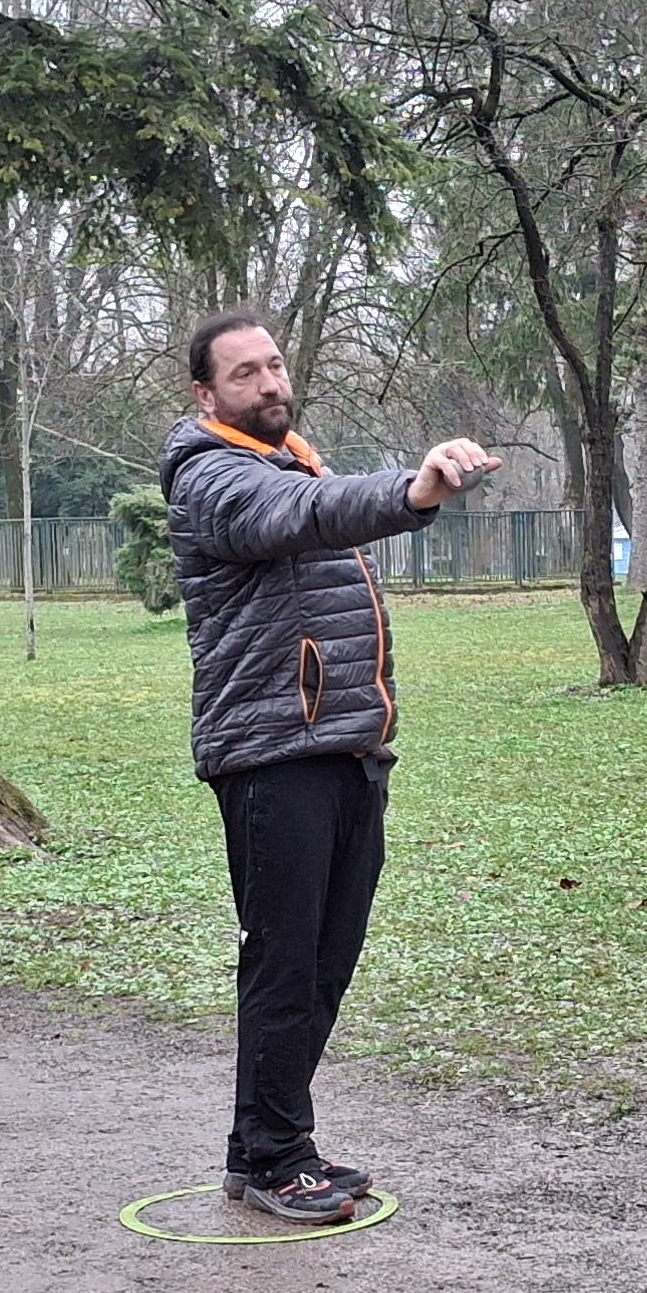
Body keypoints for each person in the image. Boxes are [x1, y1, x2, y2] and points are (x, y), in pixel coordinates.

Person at [160, 311, 500, 1223]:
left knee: (324, 962)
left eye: (273, 364)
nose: (269, 382)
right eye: (243, 373)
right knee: (285, 963)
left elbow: (313, 506)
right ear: (206, 394)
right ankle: (279, 1159)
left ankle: (262, 1148)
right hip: (274, 755)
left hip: (344, 748)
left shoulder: (293, 461)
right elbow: (300, 517)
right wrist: (413, 490)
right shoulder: (212, 476)